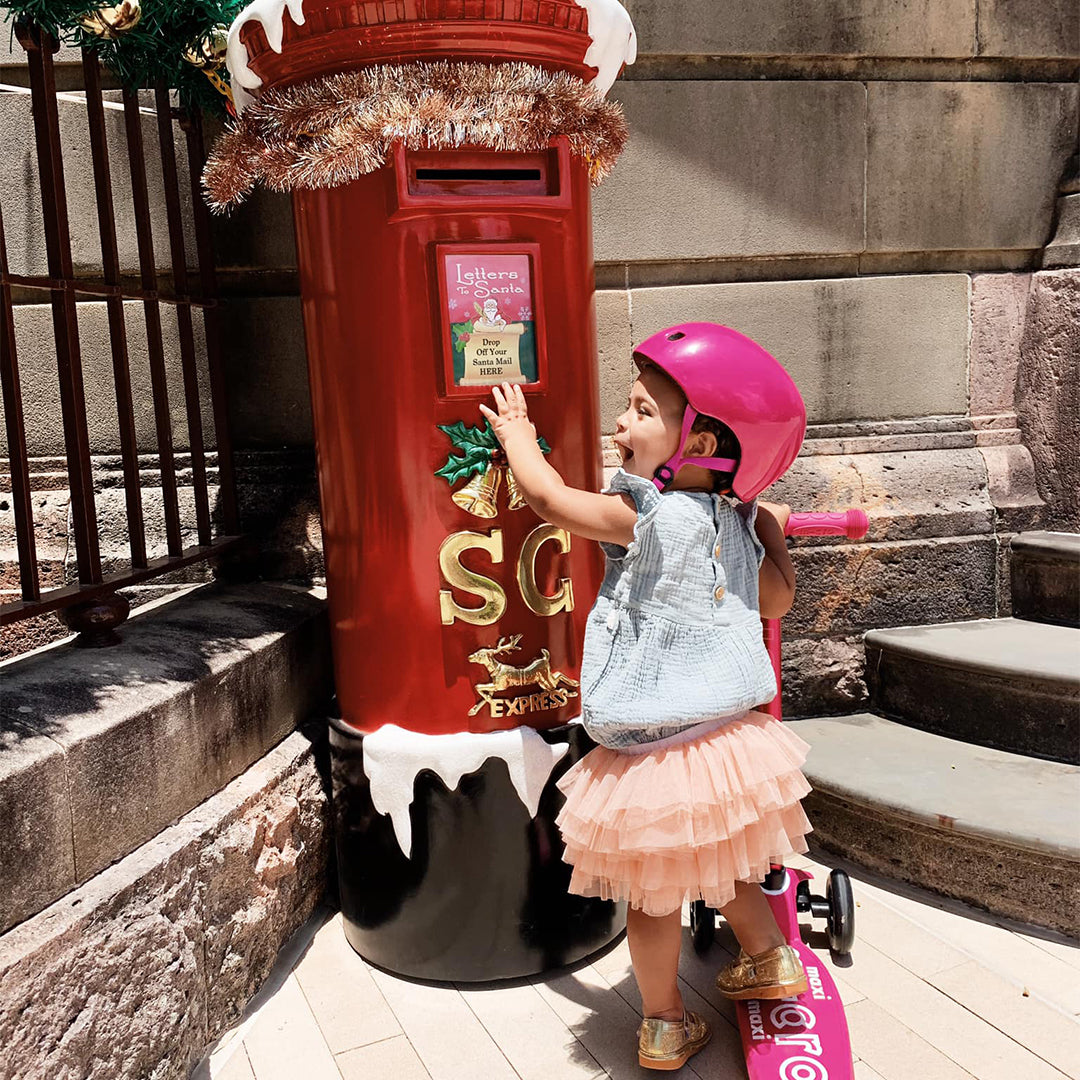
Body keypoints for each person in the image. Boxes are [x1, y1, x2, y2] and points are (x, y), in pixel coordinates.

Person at [479, 322, 813, 1072]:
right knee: (721, 860)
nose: (620, 424)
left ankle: (663, 1022)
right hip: (726, 741)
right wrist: (772, 531)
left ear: (696, 444)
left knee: (656, 895)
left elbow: (549, 500)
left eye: (639, 409)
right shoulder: (738, 518)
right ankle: (769, 958)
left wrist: (518, 433)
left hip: (655, 747)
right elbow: (777, 602)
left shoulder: (647, 518)